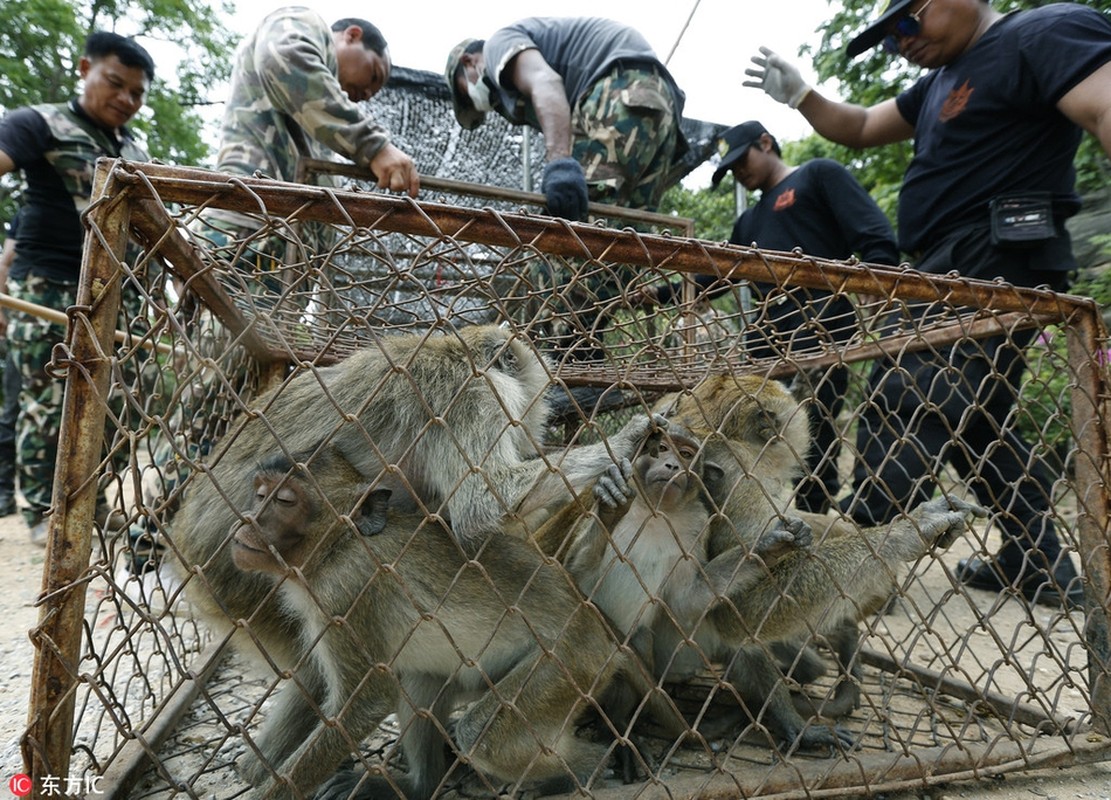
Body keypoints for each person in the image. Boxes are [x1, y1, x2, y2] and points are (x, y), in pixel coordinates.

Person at [744, 0, 1111, 608]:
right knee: (978, 426)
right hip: (944, 268)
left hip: (993, 260)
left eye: (907, 22)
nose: (901, 42)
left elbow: (1101, 105)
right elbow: (860, 126)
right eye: (888, 38)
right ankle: (1037, 560)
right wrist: (804, 95)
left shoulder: (1040, 33)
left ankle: (847, 567)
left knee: (905, 400)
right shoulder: (938, 79)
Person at [0, 32, 155, 544]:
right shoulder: (39, 123)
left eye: (137, 93)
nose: (126, 100)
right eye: (115, 83)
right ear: (85, 68)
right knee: (49, 401)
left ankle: (91, 502)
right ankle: (46, 513)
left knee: (114, 402)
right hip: (49, 286)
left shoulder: (135, 148)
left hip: (116, 293)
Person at [709, 120, 899, 514]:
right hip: (766, 340)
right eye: (730, 170)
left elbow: (874, 234)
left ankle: (813, 522)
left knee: (815, 430)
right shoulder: (749, 221)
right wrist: (661, 293)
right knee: (758, 431)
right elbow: (716, 274)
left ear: (766, 142)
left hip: (821, 324)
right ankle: (761, 520)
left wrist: (879, 279)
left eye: (740, 160)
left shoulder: (817, 175)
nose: (738, 173)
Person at [444, 17, 689, 221]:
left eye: (465, 95)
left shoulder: (496, 46)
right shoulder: (517, 94)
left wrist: (560, 165)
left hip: (619, 89)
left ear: (468, 61)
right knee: (633, 236)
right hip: (661, 107)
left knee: (574, 225)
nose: (475, 104)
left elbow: (545, 82)